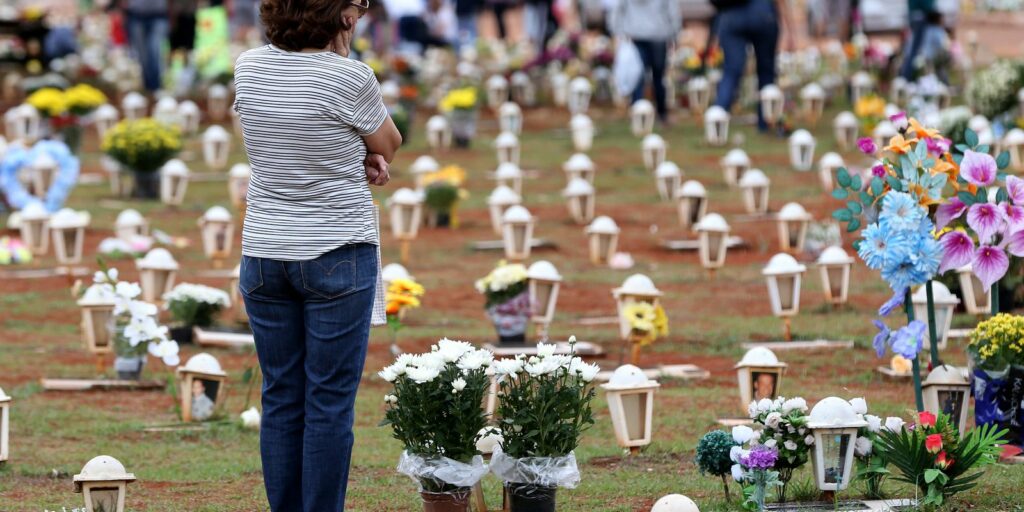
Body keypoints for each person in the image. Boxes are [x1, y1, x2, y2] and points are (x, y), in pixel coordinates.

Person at [234, 0, 402, 508]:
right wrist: (364, 152)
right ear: (343, 17)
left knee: (281, 398)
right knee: (328, 403)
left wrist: (356, 151)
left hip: (265, 250)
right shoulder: (350, 78)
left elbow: (279, 136)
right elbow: (389, 143)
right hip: (336, 249)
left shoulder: (249, 67)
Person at [712, 0, 795, 132]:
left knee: (731, 71)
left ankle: (716, 121)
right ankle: (767, 121)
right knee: (766, 72)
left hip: (731, 16)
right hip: (763, 14)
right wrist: (790, 30)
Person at [609, 0, 681, 124]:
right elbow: (673, 12)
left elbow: (617, 11)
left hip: (635, 35)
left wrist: (618, 31)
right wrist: (674, 35)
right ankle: (662, 114)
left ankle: (637, 114)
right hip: (659, 35)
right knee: (658, 77)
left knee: (637, 76)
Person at [123, 0, 170, 92]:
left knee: (155, 51)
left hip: (159, 15)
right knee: (142, 56)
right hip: (137, 16)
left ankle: (156, 87)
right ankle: (147, 87)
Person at [898, 0, 935, 81]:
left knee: (914, 48)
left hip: (914, 15)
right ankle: (908, 76)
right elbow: (927, 4)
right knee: (918, 48)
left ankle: (911, 75)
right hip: (921, 16)